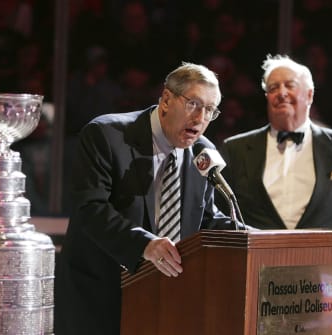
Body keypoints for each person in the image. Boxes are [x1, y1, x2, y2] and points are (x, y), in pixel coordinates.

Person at [54, 62, 244, 335]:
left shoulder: (203, 152)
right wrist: (144, 244)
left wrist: (251, 237)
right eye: (194, 104)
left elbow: (205, 218)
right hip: (99, 299)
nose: (201, 118)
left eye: (210, 111)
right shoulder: (106, 135)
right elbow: (90, 209)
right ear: (166, 99)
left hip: (163, 301)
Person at [218, 54, 332, 245]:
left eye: (290, 85)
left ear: (309, 95)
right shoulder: (235, 149)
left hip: (323, 267)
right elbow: (221, 214)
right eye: (273, 88)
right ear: (267, 97)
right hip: (255, 265)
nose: (281, 93)